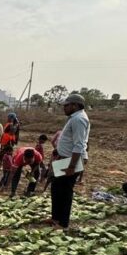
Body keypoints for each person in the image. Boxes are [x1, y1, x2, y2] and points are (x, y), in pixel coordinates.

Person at [49, 94, 90, 228]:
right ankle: (55, 218)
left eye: (66, 105)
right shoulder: (75, 118)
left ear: (75, 105)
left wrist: (72, 166)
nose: (64, 108)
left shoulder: (79, 119)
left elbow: (79, 145)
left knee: (65, 191)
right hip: (65, 158)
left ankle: (63, 223)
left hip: (71, 161)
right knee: (56, 188)